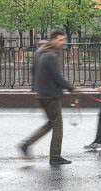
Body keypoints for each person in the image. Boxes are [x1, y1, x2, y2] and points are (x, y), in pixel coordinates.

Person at [18, 31, 77, 165]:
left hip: (42, 94)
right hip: (51, 95)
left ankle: (26, 144)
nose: (63, 43)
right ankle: (55, 156)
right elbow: (57, 77)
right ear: (53, 40)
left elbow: (33, 70)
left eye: (63, 40)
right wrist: (71, 87)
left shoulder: (40, 52)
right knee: (57, 125)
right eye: (61, 40)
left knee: (50, 123)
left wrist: (36, 88)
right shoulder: (51, 55)